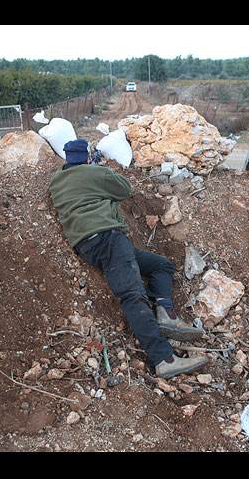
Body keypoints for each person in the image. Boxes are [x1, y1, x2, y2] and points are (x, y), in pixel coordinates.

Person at [48, 139, 208, 379]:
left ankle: (166, 314)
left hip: (88, 247)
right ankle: (163, 359)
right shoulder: (96, 172)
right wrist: (101, 168)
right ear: (87, 156)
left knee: (161, 265)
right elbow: (125, 189)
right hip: (109, 239)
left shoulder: (56, 181)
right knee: (132, 296)